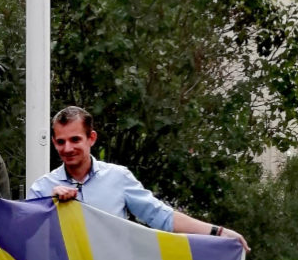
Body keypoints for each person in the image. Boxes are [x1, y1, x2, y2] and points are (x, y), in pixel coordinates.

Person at [27, 105, 249, 250]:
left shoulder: (118, 178)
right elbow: (26, 240)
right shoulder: (43, 188)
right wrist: (48, 204)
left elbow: (160, 216)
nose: (68, 148)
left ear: (91, 138)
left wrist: (218, 232)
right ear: (54, 142)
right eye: (61, 142)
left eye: (75, 139)